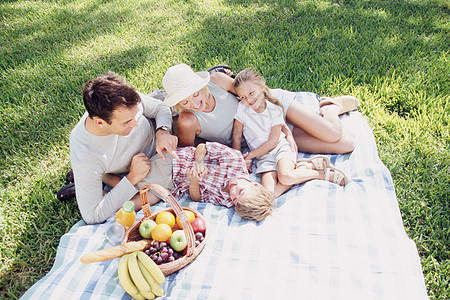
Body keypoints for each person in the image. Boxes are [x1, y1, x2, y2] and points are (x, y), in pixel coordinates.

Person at [162, 63, 359, 154]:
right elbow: (188, 154)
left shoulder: (217, 80)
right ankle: (319, 115)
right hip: (263, 134)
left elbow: (250, 92)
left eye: (196, 94)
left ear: (202, 85)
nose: (196, 104)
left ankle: (330, 107)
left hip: (273, 105)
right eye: (185, 102)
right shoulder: (187, 120)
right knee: (346, 144)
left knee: (333, 133)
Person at [68, 72, 178, 224]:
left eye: (135, 116)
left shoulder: (123, 102)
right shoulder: (86, 154)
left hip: (163, 136)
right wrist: (132, 176)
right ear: (100, 123)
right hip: (150, 165)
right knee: (159, 189)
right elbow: (92, 215)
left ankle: (97, 181)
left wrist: (163, 131)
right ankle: (89, 185)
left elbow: (160, 108)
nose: (136, 123)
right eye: (127, 122)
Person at [232, 68, 348, 197]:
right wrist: (239, 159)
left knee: (286, 177)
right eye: (243, 97)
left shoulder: (274, 109)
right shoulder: (242, 109)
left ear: (261, 86)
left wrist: (248, 157)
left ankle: (320, 174)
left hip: (280, 148)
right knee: (269, 194)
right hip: (263, 157)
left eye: (251, 93)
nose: (248, 100)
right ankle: (305, 167)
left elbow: (273, 142)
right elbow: (237, 135)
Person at [102, 142, 276, 222]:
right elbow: (202, 148)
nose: (233, 193)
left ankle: (103, 197)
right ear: (255, 184)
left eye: (235, 199)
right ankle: (100, 176)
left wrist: (194, 182)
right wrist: (199, 163)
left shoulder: (228, 201)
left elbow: (197, 198)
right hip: (173, 164)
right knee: (136, 194)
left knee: (141, 201)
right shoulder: (234, 160)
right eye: (240, 192)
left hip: (173, 185)